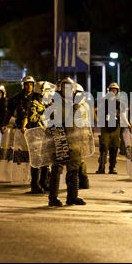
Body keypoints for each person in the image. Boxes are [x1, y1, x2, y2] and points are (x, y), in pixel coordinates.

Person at [48, 77, 86, 207]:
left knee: (74, 169)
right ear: (60, 89)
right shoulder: (56, 104)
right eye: (64, 87)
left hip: (74, 141)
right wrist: (75, 109)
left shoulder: (75, 104)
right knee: (57, 169)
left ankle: (72, 197)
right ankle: (53, 198)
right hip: (60, 140)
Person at [23, 81, 54, 193]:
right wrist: (45, 112)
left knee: (45, 160)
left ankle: (43, 182)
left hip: (45, 134)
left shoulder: (46, 104)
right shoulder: (34, 104)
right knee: (36, 161)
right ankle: (34, 184)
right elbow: (32, 119)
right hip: (36, 135)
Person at [95, 82, 132, 174]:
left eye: (115, 90)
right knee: (104, 147)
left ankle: (112, 168)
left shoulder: (119, 103)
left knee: (114, 147)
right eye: (112, 90)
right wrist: (98, 120)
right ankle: (101, 167)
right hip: (105, 127)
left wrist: (129, 124)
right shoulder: (103, 101)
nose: (113, 92)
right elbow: (95, 110)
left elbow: (123, 115)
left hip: (116, 127)